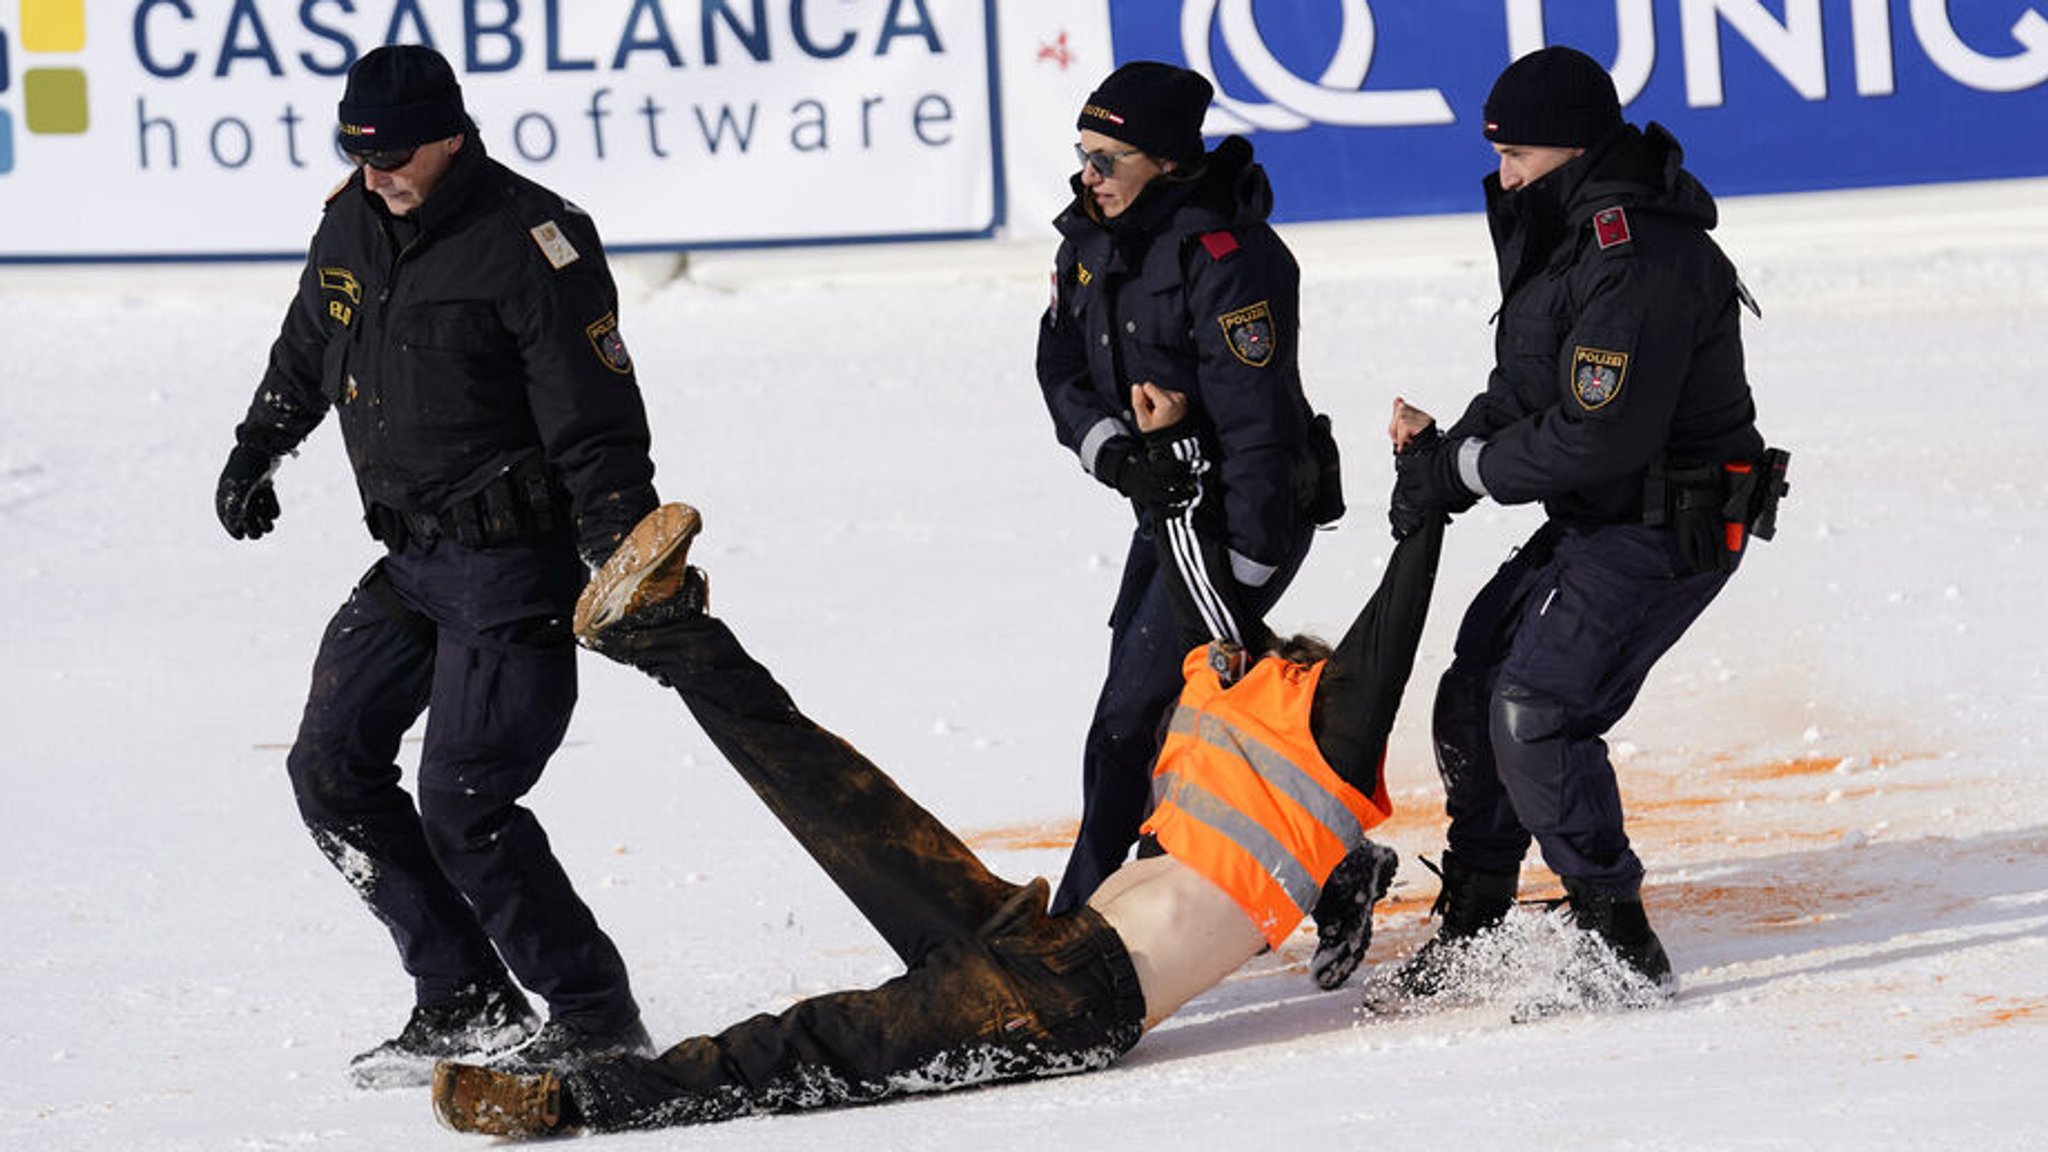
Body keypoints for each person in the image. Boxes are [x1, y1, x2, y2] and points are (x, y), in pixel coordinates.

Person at [429, 480, 1439, 1137]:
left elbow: (1381, 649)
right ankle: (664, 631)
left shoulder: (1329, 744)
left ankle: (568, 1101)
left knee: (809, 1047)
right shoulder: (1242, 740)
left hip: (1065, 1006)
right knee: (831, 790)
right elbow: (1233, 661)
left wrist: (1420, 511)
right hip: (1038, 936)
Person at [213, 44, 662, 1086]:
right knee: (329, 770)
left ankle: (594, 1013)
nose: (379, 171)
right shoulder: (351, 222)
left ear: (452, 133)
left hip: (511, 569)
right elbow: (307, 343)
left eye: (398, 153)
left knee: (467, 802)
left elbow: (596, 419)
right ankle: (461, 998)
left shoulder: (529, 242)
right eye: (358, 152)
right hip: (411, 563)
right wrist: (257, 445)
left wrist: (621, 545)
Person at [1380, 45, 1788, 997]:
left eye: (1518, 155)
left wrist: (1471, 470)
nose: (1502, 175)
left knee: (1538, 709)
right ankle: (1475, 924)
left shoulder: (1636, 254)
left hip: (1667, 525)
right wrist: (1446, 457)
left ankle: (1621, 944)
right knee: (1476, 682)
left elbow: (1598, 433)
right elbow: (1526, 384)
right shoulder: (1562, 234)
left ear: (1571, 149)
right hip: (1603, 513)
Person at [1035, 60, 1342, 918]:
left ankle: (1076, 927)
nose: (1088, 176)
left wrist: (1243, 568)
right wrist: (1120, 456)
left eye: (1109, 159)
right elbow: (1058, 366)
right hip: (1163, 510)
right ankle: (1340, 874)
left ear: (1167, 160)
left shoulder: (1231, 257)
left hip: (1243, 515)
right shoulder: (1089, 237)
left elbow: (1257, 429)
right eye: (1084, 154)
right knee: (1169, 715)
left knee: (1128, 723)